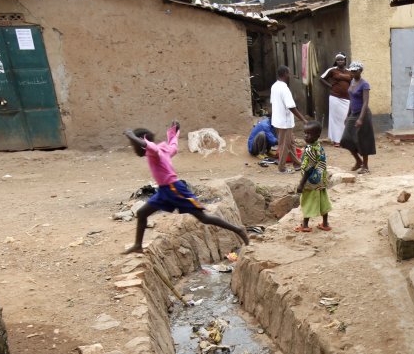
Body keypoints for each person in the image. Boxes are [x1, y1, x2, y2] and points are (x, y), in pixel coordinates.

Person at [122, 121, 248, 254]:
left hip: (174, 190)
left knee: (204, 218)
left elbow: (147, 145)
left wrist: (131, 136)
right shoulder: (163, 150)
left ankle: (238, 229)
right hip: (164, 191)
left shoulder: (154, 150)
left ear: (141, 141)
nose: (133, 149)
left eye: (133, 145)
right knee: (142, 213)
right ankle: (138, 245)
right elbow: (174, 146)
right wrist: (173, 132)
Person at [294, 121, 332, 233]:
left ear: (317, 135)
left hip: (310, 182)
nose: (306, 136)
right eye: (305, 133)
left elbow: (308, 169)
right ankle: (325, 223)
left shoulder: (310, 149)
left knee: (307, 201)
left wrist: (301, 184)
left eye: (309, 134)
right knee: (323, 200)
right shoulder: (319, 146)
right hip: (321, 180)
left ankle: (305, 225)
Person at [270, 65, 307, 174]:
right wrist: (303, 119)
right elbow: (291, 106)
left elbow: (273, 102)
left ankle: (297, 164)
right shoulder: (284, 88)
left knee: (291, 143)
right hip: (284, 122)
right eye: (289, 73)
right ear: (285, 74)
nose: (290, 75)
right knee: (284, 146)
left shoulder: (274, 86)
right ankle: (282, 168)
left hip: (278, 121)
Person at [340, 61, 376, 174]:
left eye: (355, 71)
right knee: (345, 139)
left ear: (360, 71)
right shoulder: (352, 82)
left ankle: (365, 166)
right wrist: (347, 115)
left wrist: (361, 118)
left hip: (363, 115)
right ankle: (358, 161)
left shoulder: (364, 84)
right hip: (353, 114)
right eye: (351, 71)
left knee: (363, 140)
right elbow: (351, 100)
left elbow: (365, 102)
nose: (352, 73)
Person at [319, 53, 352, 146]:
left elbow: (353, 82)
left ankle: (345, 139)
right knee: (336, 119)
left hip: (346, 99)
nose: (340, 61)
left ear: (345, 60)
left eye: (341, 59)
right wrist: (330, 86)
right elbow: (321, 78)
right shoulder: (332, 70)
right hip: (335, 97)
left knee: (345, 118)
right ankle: (336, 140)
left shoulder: (350, 72)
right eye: (338, 60)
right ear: (335, 61)